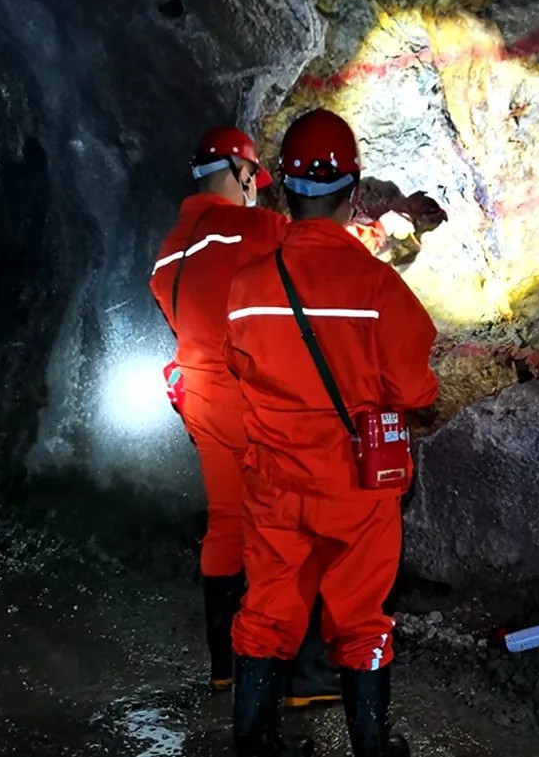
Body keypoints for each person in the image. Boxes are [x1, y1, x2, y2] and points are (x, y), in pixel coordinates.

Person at [224, 108, 439, 757]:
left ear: (285, 193)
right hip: (356, 483)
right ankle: (371, 747)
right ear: (352, 194)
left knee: (265, 608)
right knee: (361, 614)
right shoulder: (377, 286)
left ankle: (254, 744)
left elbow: (238, 369)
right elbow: (415, 391)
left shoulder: (246, 286)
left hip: (274, 480)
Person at [148, 126, 340, 708]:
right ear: (239, 171)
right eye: (253, 177)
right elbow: (319, 250)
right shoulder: (250, 228)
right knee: (295, 524)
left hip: (201, 401)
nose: (255, 187)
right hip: (251, 401)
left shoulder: (168, 253)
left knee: (228, 523)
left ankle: (225, 667)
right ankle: (303, 676)